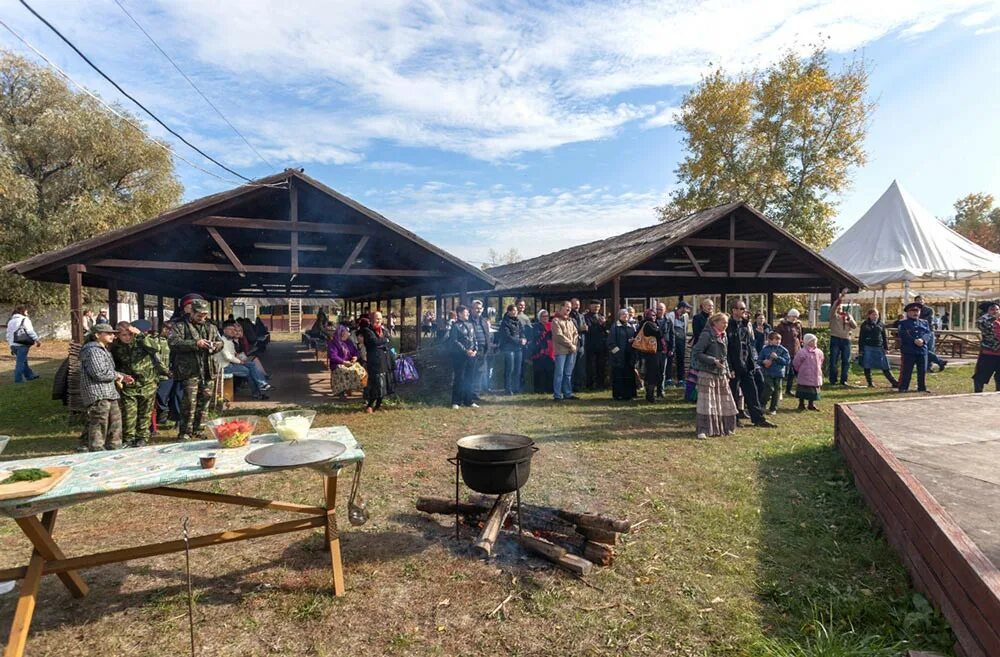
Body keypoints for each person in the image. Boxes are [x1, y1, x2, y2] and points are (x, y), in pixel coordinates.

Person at [169, 299, 223, 441]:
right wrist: (195, 343)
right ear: (191, 312)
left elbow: (220, 342)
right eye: (199, 315)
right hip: (190, 371)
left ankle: (199, 429)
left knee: (204, 401)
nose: (202, 318)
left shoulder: (211, 327)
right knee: (189, 402)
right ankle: (185, 432)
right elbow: (173, 343)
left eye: (205, 315)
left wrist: (216, 345)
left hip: (208, 370)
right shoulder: (180, 326)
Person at [80, 323, 130, 451]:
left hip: (109, 392)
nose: (113, 336)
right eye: (108, 333)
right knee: (100, 423)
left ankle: (115, 447)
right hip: (98, 393)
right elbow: (99, 373)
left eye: (113, 333)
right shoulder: (92, 350)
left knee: (115, 423)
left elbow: (107, 371)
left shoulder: (103, 349)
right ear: (97, 335)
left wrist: (121, 376)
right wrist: (118, 376)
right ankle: (97, 450)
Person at [726, 300, 776, 428]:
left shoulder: (745, 325)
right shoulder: (728, 325)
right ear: (734, 310)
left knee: (752, 391)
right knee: (734, 393)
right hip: (735, 365)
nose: (744, 311)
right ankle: (734, 418)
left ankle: (758, 418)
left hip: (747, 364)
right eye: (741, 309)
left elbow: (749, 344)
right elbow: (727, 348)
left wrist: (752, 362)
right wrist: (730, 367)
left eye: (745, 309)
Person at [110, 320, 160, 447]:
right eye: (124, 335)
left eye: (129, 335)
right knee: (129, 414)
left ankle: (142, 437)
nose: (127, 338)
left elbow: (156, 348)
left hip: (147, 383)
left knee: (145, 413)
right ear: (118, 335)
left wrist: (141, 335)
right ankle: (128, 439)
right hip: (129, 385)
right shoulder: (116, 346)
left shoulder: (141, 341)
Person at [691, 312, 738, 439]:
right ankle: (703, 429)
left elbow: (725, 356)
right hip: (707, 373)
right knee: (707, 403)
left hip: (720, 373)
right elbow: (697, 352)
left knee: (724, 401)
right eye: (723, 322)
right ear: (715, 323)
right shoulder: (707, 335)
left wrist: (728, 370)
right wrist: (713, 361)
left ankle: (725, 427)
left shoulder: (724, 336)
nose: (725, 325)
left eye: (727, 323)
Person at [215, 322, 271, 400]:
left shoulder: (230, 341)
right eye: (230, 329)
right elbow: (228, 357)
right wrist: (240, 362)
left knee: (251, 365)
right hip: (224, 367)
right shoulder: (222, 341)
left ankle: (262, 384)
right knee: (248, 371)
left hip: (231, 364)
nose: (233, 331)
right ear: (224, 331)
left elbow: (233, 354)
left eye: (233, 330)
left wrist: (240, 358)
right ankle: (258, 391)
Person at [359, 311, 394, 412]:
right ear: (371, 320)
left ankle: (378, 405)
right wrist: (384, 341)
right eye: (376, 318)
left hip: (384, 360)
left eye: (380, 318)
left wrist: (382, 342)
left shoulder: (384, 330)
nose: (378, 320)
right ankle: (369, 405)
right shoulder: (367, 330)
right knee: (375, 384)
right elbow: (374, 342)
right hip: (374, 361)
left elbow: (390, 340)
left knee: (383, 385)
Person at [897, 302, 932, 393]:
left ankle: (922, 387)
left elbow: (928, 333)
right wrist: (914, 340)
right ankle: (903, 387)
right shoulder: (903, 323)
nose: (915, 313)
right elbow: (903, 334)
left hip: (922, 350)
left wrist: (923, 340)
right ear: (908, 312)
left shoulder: (924, 322)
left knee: (922, 370)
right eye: (912, 311)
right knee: (907, 370)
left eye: (917, 311)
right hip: (909, 350)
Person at [858, 309, 898, 388]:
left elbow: (884, 336)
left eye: (876, 314)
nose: (875, 316)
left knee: (885, 365)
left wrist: (886, 348)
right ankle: (870, 383)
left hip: (879, 346)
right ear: (869, 315)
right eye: (873, 314)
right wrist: (861, 349)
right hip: (868, 346)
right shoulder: (865, 324)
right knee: (867, 365)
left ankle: (894, 382)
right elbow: (861, 337)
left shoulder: (881, 324)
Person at [449, 305, 479, 408]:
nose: (468, 314)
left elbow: (474, 339)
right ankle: (456, 402)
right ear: (460, 314)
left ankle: (469, 400)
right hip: (460, 357)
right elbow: (454, 341)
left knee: (470, 379)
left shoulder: (470, 325)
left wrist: (475, 350)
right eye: (466, 313)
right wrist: (465, 350)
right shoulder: (455, 326)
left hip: (471, 356)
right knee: (459, 379)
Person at [551, 301, 579, 401]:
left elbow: (576, 333)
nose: (569, 309)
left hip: (571, 351)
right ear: (561, 307)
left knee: (568, 373)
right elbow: (559, 336)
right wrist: (570, 344)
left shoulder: (570, 321)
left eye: (570, 307)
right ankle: (557, 395)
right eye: (567, 307)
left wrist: (574, 344)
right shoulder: (556, 321)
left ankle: (568, 393)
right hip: (561, 351)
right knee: (559, 373)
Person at [152, 321, 178, 428]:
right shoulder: (155, 340)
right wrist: (165, 370)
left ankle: (165, 418)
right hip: (159, 374)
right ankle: (160, 419)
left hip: (171, 374)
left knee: (169, 397)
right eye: (169, 330)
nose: (170, 332)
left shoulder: (173, 341)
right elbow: (156, 358)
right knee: (160, 397)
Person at [328, 324, 366, 398]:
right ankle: (341, 392)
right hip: (338, 364)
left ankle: (365, 390)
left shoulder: (349, 342)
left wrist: (355, 357)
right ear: (341, 333)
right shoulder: (333, 343)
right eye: (346, 333)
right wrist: (343, 362)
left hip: (350, 362)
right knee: (342, 371)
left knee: (361, 371)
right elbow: (333, 356)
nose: (348, 334)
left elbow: (356, 352)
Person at [607, 308, 637, 401]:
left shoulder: (630, 327)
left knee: (629, 375)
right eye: (623, 314)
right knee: (618, 376)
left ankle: (629, 395)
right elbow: (611, 343)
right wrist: (618, 353)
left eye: (627, 315)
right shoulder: (615, 327)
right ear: (619, 316)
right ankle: (618, 395)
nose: (626, 316)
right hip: (618, 357)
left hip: (629, 356)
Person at [757, 331, 790, 415]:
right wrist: (763, 362)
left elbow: (787, 361)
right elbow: (759, 360)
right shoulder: (765, 349)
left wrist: (777, 358)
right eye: (775, 340)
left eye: (779, 340)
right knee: (769, 388)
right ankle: (762, 404)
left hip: (778, 373)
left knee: (776, 391)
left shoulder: (783, 350)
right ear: (770, 340)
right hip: (767, 373)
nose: (778, 341)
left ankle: (773, 408)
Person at [6, 305, 40, 383]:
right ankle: (18, 380)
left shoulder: (10, 321)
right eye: (26, 311)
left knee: (23, 361)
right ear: (23, 311)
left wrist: (10, 345)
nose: (27, 313)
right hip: (22, 344)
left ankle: (30, 375)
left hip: (13, 345)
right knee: (20, 362)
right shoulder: (25, 319)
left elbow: (8, 334)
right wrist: (37, 340)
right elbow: (30, 331)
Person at [636, 309, 664, 403]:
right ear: (647, 316)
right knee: (653, 374)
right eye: (652, 315)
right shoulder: (648, 324)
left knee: (655, 374)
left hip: (655, 352)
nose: (654, 317)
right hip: (652, 353)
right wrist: (659, 328)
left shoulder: (651, 324)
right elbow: (659, 334)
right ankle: (650, 395)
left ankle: (650, 394)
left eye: (655, 315)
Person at [913, 295, 948, 372]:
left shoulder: (929, 310)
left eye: (921, 300)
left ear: (924, 301)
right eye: (918, 300)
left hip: (928, 331)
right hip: (917, 333)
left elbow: (928, 321)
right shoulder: (912, 310)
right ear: (915, 301)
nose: (920, 301)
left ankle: (929, 366)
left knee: (929, 349)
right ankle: (939, 362)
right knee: (923, 350)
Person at [498, 304, 526, 395]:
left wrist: (524, 339)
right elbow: (507, 336)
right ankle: (508, 389)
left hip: (518, 348)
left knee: (518, 369)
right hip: (508, 348)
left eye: (516, 310)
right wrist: (519, 341)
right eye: (513, 310)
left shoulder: (518, 321)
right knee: (510, 369)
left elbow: (522, 332)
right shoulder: (505, 322)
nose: (515, 312)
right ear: (509, 311)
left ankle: (516, 388)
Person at [828, 299, 857, 385]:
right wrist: (838, 301)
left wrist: (849, 319)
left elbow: (854, 326)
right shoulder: (833, 316)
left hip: (846, 340)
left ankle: (844, 379)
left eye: (840, 307)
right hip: (835, 339)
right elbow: (833, 308)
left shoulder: (847, 316)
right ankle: (833, 379)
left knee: (846, 360)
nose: (839, 309)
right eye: (838, 307)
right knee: (834, 360)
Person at [973, 302, 1000, 392]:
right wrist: (993, 318)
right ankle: (978, 394)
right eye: (992, 309)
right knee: (980, 377)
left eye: (997, 309)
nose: (995, 311)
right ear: (987, 311)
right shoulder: (983, 320)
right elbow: (981, 324)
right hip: (988, 353)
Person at [792, 334, 824, 411]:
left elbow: (821, 360)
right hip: (804, 375)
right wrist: (799, 370)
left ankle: (811, 404)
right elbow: (796, 362)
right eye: (812, 341)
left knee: (813, 391)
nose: (814, 342)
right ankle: (801, 403)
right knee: (802, 390)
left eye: (815, 341)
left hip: (815, 375)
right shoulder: (802, 352)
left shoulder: (819, 352)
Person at [776, 309, 803, 395]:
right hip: (785, 349)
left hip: (796, 350)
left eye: (796, 317)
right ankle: (781, 389)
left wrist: (800, 348)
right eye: (793, 316)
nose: (794, 318)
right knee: (787, 371)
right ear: (789, 316)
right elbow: (777, 336)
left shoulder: (797, 325)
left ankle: (790, 389)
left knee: (794, 371)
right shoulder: (781, 326)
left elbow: (799, 337)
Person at [468, 300, 491, 398]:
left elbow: (487, 334)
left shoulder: (484, 321)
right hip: (473, 350)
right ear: (472, 309)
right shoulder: (468, 321)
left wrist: (488, 346)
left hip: (483, 350)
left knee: (480, 372)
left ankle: (476, 393)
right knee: (471, 371)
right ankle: (469, 393)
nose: (479, 310)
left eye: (480, 308)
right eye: (476, 308)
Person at [583, 300, 608, 390]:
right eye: (594, 306)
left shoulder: (601, 316)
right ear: (590, 306)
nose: (596, 308)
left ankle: (600, 384)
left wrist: (604, 324)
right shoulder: (586, 317)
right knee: (591, 366)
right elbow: (588, 329)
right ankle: (590, 384)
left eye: (598, 307)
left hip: (601, 345)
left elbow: (606, 331)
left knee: (601, 365)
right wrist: (599, 324)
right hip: (590, 345)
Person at [665, 301, 691, 387]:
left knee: (681, 360)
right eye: (687, 308)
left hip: (681, 340)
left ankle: (681, 379)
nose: (688, 310)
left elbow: (686, 328)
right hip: (672, 340)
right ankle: (668, 379)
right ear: (682, 308)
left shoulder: (686, 316)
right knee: (670, 359)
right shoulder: (670, 315)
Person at [530, 309, 554, 394]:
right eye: (543, 316)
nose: (545, 318)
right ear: (539, 317)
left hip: (549, 352)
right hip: (539, 352)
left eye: (547, 316)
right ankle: (539, 390)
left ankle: (549, 389)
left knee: (549, 371)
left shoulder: (551, 325)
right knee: (539, 371)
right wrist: (544, 332)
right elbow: (535, 336)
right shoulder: (536, 326)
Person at [653, 302, 674, 397]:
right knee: (655, 370)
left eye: (661, 309)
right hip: (655, 349)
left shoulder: (668, 321)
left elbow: (672, 335)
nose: (659, 311)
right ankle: (653, 390)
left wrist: (672, 348)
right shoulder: (652, 320)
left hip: (665, 349)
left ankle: (661, 390)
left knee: (663, 371)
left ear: (665, 310)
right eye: (657, 309)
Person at [569, 298, 588, 392]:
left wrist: (584, 328)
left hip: (581, 344)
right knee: (572, 366)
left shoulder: (581, 316)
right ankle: (570, 386)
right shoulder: (569, 316)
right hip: (573, 343)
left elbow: (584, 327)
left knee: (580, 366)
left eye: (578, 304)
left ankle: (579, 385)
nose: (577, 306)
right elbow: (573, 329)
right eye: (575, 304)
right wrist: (581, 328)